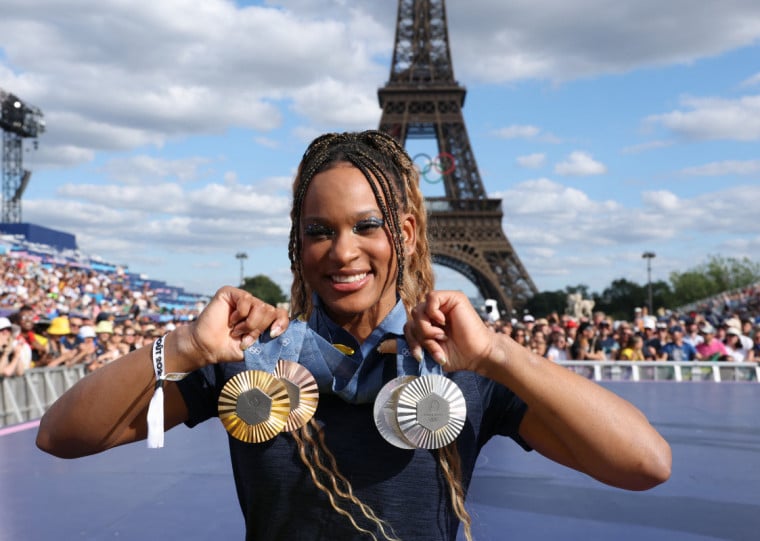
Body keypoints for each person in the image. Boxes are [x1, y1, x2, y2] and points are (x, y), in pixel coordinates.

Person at [36, 130, 671, 541]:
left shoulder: (464, 367)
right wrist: (185, 347)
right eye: (319, 230)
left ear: (410, 233)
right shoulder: (246, 357)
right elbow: (59, 436)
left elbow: (646, 464)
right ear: (298, 241)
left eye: (367, 225)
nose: (343, 253)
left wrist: (497, 353)